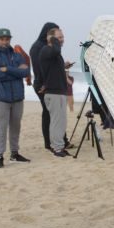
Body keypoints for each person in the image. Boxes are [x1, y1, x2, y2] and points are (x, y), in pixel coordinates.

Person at [0, 28, 32, 167]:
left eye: (7, 39)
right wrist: (16, 71)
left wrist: (8, 69)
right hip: (0, 97)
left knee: (16, 126)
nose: (5, 41)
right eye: (2, 39)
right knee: (2, 127)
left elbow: (26, 71)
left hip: (17, 97)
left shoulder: (16, 55)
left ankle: (15, 153)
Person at [38, 27, 73, 157]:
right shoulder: (47, 50)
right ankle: (57, 148)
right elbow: (56, 49)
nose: (61, 40)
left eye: (62, 37)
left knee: (61, 121)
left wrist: (64, 66)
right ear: (50, 39)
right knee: (57, 121)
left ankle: (59, 146)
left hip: (59, 91)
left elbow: (53, 68)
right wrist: (53, 40)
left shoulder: (53, 53)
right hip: (53, 93)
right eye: (59, 37)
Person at [30, 21, 60, 150]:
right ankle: (48, 143)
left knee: (55, 113)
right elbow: (39, 69)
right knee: (48, 113)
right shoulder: (37, 47)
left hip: (50, 83)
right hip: (42, 85)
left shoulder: (49, 45)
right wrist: (44, 84)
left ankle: (59, 139)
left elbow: (50, 65)